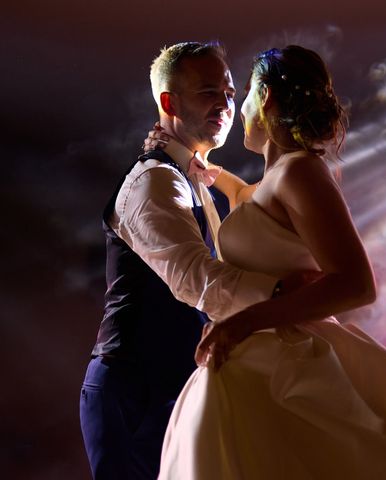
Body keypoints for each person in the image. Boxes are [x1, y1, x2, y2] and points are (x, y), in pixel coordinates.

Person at [150, 45, 386, 479]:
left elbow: (358, 284)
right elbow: (247, 200)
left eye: (242, 94)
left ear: (264, 98)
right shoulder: (277, 179)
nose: (235, 107)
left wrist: (245, 320)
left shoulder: (300, 171)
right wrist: (201, 166)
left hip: (289, 363)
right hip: (257, 361)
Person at [79, 42, 307, 479]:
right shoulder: (155, 180)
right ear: (169, 102)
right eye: (208, 92)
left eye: (228, 92)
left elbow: (246, 202)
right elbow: (192, 277)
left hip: (174, 386)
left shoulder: (192, 175)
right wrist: (281, 299)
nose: (224, 103)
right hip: (134, 394)